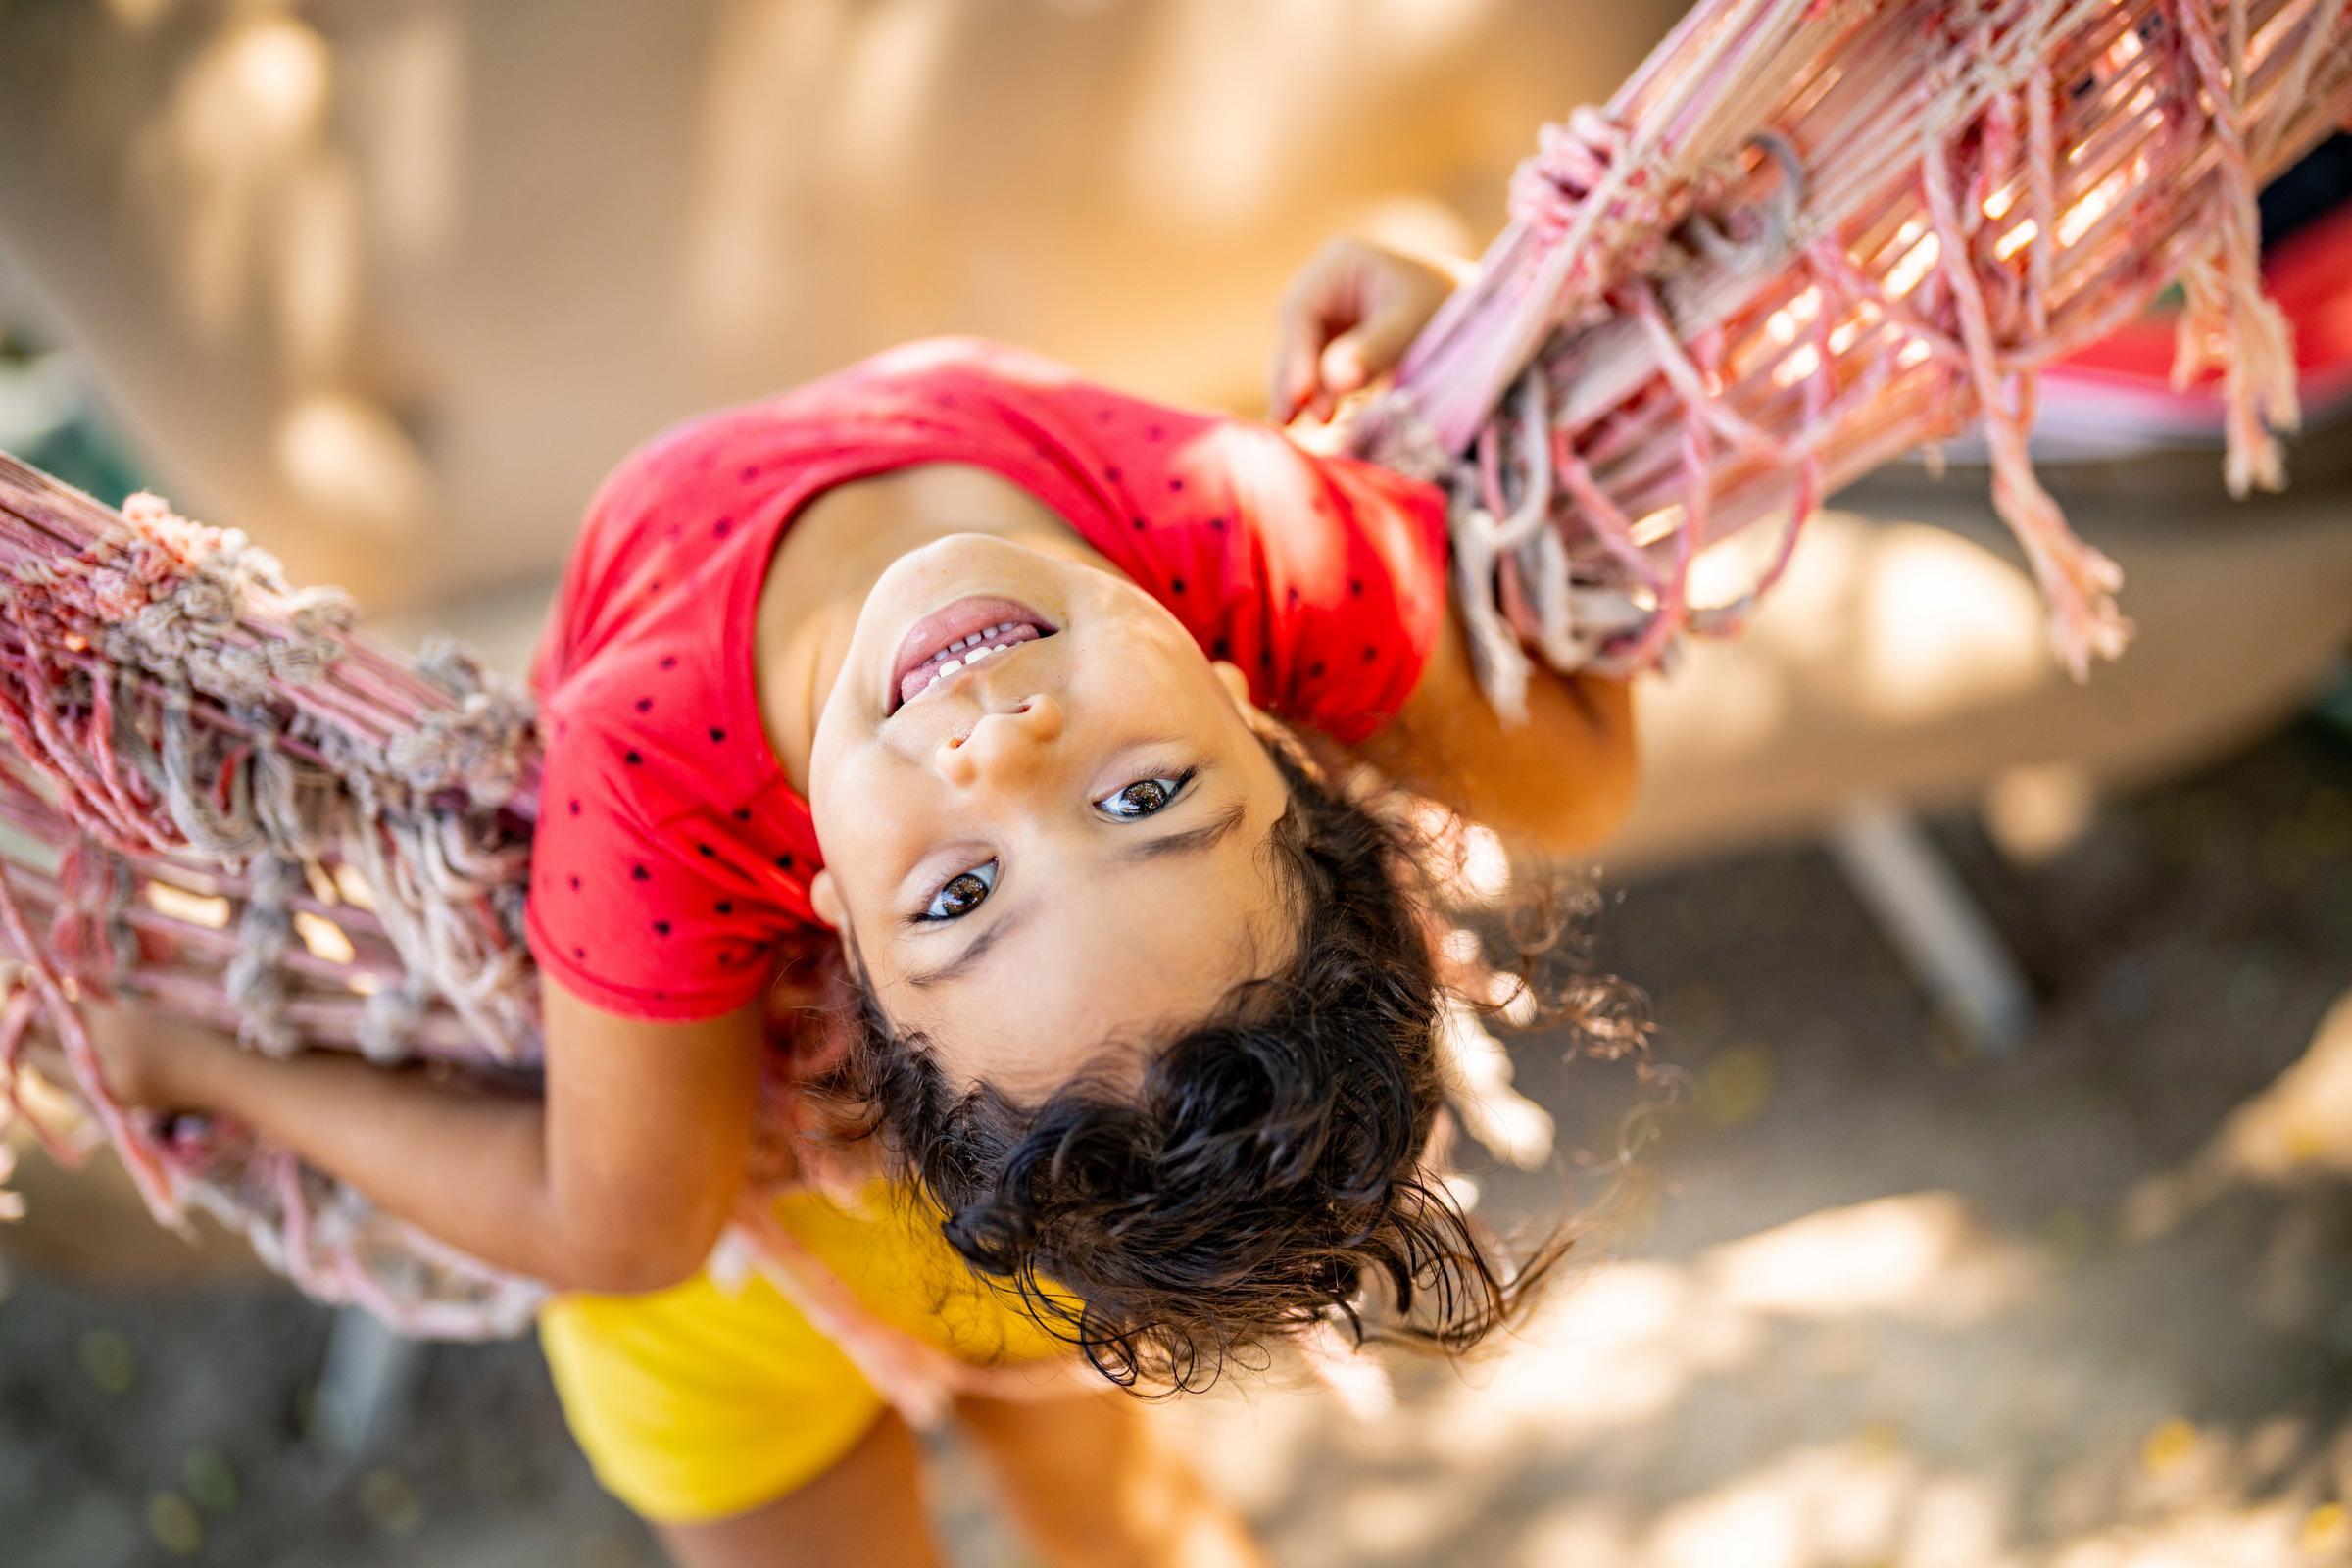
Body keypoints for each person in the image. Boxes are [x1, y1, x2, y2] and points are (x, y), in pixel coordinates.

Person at [35, 237, 1637, 1566]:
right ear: (1262, 721)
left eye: (957, 893)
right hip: (931, 1237)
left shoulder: (655, 765)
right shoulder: (1252, 535)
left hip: (1010, 1227)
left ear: (842, 945)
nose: (1004, 755)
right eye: (1146, 801)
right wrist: (1493, 362)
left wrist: (216, 1065)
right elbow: (1577, 775)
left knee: (1124, 1531)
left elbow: (615, 1222)